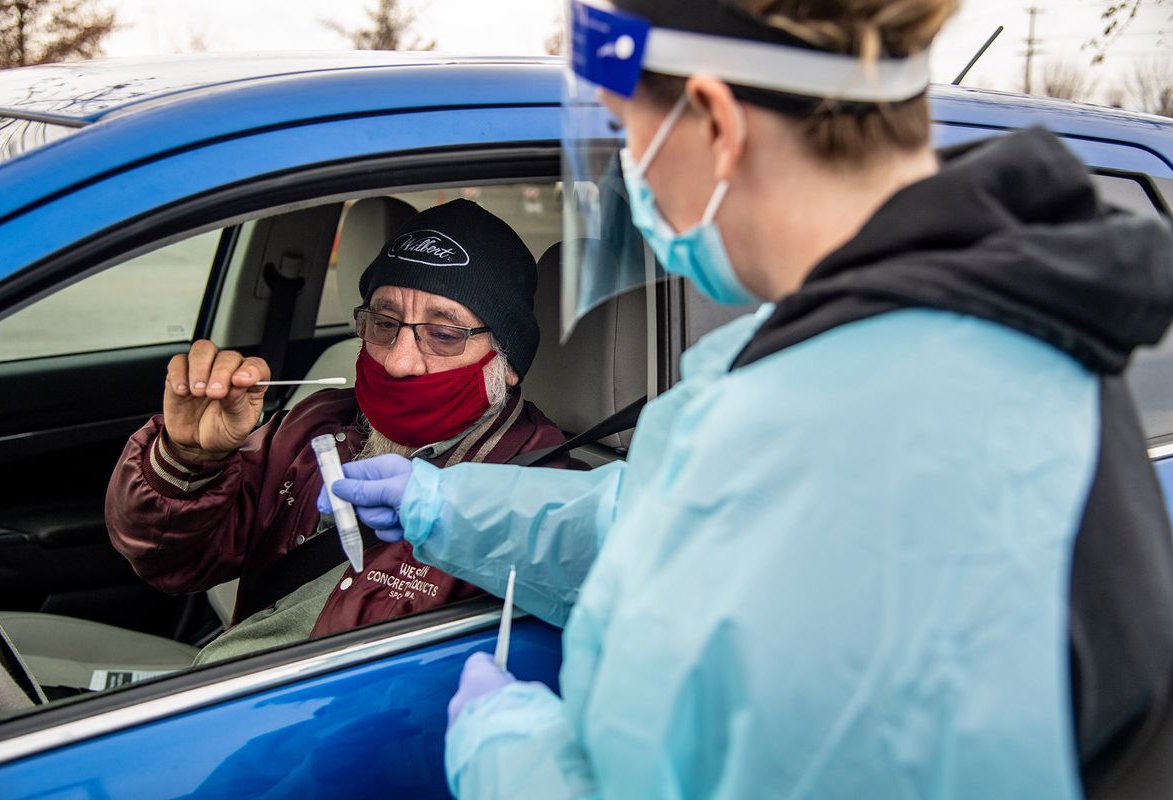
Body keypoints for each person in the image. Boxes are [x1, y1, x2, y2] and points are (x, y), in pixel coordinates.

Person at [323, 1, 1173, 797]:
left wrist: (509, 757)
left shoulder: (844, 442)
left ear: (718, 126)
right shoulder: (934, 343)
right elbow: (659, 522)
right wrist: (446, 505)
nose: (631, 177)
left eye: (629, 139)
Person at [106, 199, 572, 665]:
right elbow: (172, 563)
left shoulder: (539, 493)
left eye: (443, 335)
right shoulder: (317, 425)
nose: (398, 361)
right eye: (385, 324)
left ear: (507, 360)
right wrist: (189, 459)